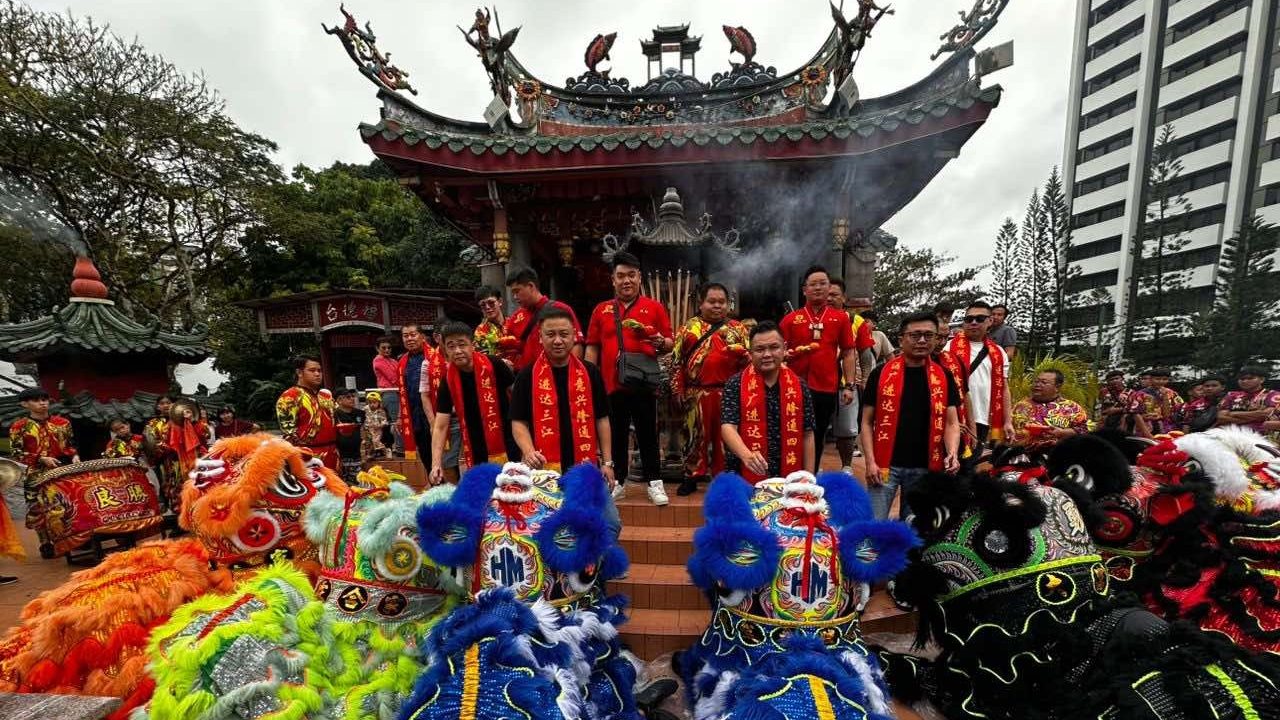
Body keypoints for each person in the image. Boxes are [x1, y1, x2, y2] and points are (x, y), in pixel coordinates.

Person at [510, 306, 619, 537]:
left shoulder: (589, 373)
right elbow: (518, 422)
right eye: (550, 334)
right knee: (548, 528)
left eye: (564, 334)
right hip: (543, 470)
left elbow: (602, 418)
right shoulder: (527, 376)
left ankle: (593, 571)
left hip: (585, 467)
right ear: (540, 337)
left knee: (610, 524)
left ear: (574, 337)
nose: (558, 340)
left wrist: (608, 463)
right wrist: (528, 452)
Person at [585, 252, 673, 506]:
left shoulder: (654, 307)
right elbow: (592, 347)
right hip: (611, 383)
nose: (626, 281)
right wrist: (590, 379)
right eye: (621, 276)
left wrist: (659, 342)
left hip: (644, 382)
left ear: (639, 278)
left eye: (631, 275)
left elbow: (668, 342)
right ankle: (619, 482)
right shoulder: (601, 310)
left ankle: (655, 483)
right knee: (616, 434)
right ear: (612, 279)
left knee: (648, 433)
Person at [860, 313, 962, 519]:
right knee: (873, 525)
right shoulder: (881, 374)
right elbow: (866, 422)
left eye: (928, 335)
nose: (922, 341)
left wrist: (952, 452)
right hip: (885, 464)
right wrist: (870, 461)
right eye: (915, 335)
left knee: (914, 530)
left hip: (926, 466)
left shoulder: (943, 376)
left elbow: (952, 423)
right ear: (901, 339)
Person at [671, 282, 749, 496]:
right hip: (696, 393)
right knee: (695, 437)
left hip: (729, 393)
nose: (717, 306)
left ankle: (723, 478)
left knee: (726, 438)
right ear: (701, 303)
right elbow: (677, 362)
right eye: (711, 301)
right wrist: (678, 389)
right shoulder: (688, 328)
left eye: (722, 302)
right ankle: (691, 476)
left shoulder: (738, 328)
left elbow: (750, 362)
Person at [779, 267, 858, 472]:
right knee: (790, 429)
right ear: (804, 289)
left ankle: (810, 474)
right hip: (793, 387)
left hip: (826, 386)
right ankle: (789, 471)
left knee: (818, 431)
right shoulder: (791, 319)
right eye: (813, 284)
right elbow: (778, 352)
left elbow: (849, 352)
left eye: (823, 283)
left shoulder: (840, 319)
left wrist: (849, 385)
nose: (818, 288)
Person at [721, 321, 816, 483]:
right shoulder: (735, 384)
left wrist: (808, 478)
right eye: (760, 349)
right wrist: (747, 456)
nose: (767, 354)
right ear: (750, 353)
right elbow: (728, 427)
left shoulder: (799, 385)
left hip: (790, 475)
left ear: (784, 348)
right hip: (744, 475)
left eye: (774, 347)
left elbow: (807, 434)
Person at [430, 321, 518, 485]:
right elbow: (441, 425)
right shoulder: (448, 381)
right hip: (475, 446)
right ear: (445, 350)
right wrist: (435, 463)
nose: (457, 351)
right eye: (451, 346)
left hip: (508, 442)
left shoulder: (494, 364)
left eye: (462, 344)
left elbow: (519, 399)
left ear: (473, 345)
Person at [9, 387, 78, 559]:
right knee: (37, 508)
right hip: (35, 473)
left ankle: (69, 539)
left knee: (68, 504)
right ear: (25, 404)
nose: (42, 403)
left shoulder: (63, 423)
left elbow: (70, 445)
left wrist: (75, 455)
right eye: (36, 400)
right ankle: (45, 542)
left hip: (62, 470)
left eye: (45, 399)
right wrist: (40, 458)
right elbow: (16, 452)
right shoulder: (19, 427)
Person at [943, 301, 1013, 448]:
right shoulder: (948, 347)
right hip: (955, 418)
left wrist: (1008, 421)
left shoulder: (999, 352)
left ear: (990, 321)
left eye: (980, 319)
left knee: (976, 466)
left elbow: (1004, 388)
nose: (973, 323)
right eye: (969, 319)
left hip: (984, 419)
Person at [827, 278, 876, 473]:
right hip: (818, 383)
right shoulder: (815, 320)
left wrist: (865, 379)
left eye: (834, 294)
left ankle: (847, 466)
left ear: (844, 298)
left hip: (846, 384)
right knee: (816, 427)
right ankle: (814, 467)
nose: (829, 298)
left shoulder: (856, 321)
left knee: (846, 430)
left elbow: (865, 354)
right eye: (826, 294)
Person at [503, 265, 583, 371]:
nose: (515, 297)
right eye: (513, 293)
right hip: (527, 379)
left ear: (531, 286)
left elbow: (576, 344)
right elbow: (511, 352)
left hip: (555, 377)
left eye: (517, 291)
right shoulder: (515, 318)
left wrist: (570, 373)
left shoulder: (561, 309)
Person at [276, 355, 339, 469]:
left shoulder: (325, 395)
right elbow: (288, 433)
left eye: (319, 370)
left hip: (333, 452)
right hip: (309, 457)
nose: (317, 374)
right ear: (299, 373)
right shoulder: (290, 396)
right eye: (312, 370)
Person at [1010, 370, 1089, 449]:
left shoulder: (1072, 408)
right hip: (1026, 454)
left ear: (1057, 387)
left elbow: (1083, 431)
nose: (1037, 385)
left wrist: (1062, 432)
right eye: (1036, 381)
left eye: (1043, 382)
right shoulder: (1021, 406)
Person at [397, 323, 435, 469]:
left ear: (423, 336)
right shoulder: (402, 362)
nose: (409, 339)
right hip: (415, 416)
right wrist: (400, 416)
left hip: (435, 413)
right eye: (405, 336)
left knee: (444, 458)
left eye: (413, 334)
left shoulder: (435, 356)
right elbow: (402, 392)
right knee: (426, 455)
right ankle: (435, 488)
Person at [144, 395, 181, 514]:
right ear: (157, 407)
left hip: (183, 459)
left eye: (168, 402)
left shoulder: (180, 419)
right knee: (169, 487)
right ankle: (176, 516)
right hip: (166, 461)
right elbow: (150, 443)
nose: (165, 405)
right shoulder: (153, 424)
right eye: (162, 403)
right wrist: (168, 448)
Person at [1218, 366, 1280, 434]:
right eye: (1241, 379)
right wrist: (1256, 416)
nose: (1245, 381)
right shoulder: (1231, 395)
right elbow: (1220, 417)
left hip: (1259, 435)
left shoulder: (1273, 394)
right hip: (1229, 432)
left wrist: (1232, 413)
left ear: (1262, 379)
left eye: (1250, 378)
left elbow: (1268, 414)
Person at [1127, 368, 1184, 437]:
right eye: (1157, 379)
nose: (1161, 381)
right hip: (1146, 427)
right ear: (1150, 379)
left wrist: (1165, 396)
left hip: (1166, 428)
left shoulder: (1172, 393)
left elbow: (1167, 415)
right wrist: (1147, 434)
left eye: (1164, 379)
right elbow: (1136, 414)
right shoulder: (1140, 394)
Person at [371, 336, 402, 454]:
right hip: (389, 392)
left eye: (389, 348)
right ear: (377, 348)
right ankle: (399, 448)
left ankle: (394, 446)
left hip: (395, 391)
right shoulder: (378, 360)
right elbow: (393, 377)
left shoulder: (393, 361)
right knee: (396, 420)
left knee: (392, 421)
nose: (387, 350)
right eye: (383, 348)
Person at [332, 389, 365, 483]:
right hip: (341, 456)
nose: (352, 399)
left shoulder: (361, 414)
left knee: (358, 482)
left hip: (358, 455)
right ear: (339, 400)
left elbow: (366, 432)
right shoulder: (334, 415)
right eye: (348, 397)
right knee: (342, 483)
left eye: (352, 396)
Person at [473, 285, 508, 357]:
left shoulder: (514, 322)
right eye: (483, 305)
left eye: (491, 302)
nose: (487, 307)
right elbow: (483, 359)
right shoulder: (480, 333)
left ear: (500, 301)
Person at [361, 391, 394, 460]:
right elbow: (361, 418)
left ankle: (387, 452)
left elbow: (385, 421)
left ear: (379, 402)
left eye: (374, 402)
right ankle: (370, 455)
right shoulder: (365, 409)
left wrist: (380, 425)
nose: (372, 404)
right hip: (367, 429)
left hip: (378, 429)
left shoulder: (381, 411)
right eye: (370, 402)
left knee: (376, 441)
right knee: (368, 443)